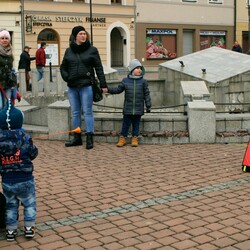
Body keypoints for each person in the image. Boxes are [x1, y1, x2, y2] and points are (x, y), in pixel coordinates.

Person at [60, 25, 107, 150]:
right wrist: (67, 77)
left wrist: (103, 84)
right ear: (75, 36)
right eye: (80, 34)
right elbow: (63, 67)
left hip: (86, 85)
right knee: (75, 112)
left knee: (87, 111)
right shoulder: (69, 51)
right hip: (72, 86)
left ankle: (90, 137)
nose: (83, 36)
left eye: (84, 33)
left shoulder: (92, 50)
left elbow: (99, 68)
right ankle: (77, 137)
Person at [0, 98, 38, 241]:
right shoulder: (25, 138)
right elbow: (33, 153)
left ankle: (11, 231)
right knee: (29, 203)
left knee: (11, 205)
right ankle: (29, 228)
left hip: (7, 181)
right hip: (25, 179)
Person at [102, 59, 151, 147]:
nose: (139, 70)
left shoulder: (143, 82)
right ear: (132, 70)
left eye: (140, 68)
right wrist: (108, 90)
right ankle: (123, 138)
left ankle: (135, 138)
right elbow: (118, 90)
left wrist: (148, 105)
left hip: (138, 108)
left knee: (136, 124)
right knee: (125, 124)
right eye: (137, 68)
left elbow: (146, 94)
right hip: (128, 108)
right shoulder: (125, 80)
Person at [0, 29, 16, 110]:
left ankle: (4, 122)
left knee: (7, 106)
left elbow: (12, 69)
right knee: (0, 106)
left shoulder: (11, 52)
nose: (4, 40)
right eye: (2, 38)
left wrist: (13, 83)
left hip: (8, 84)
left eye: (6, 38)